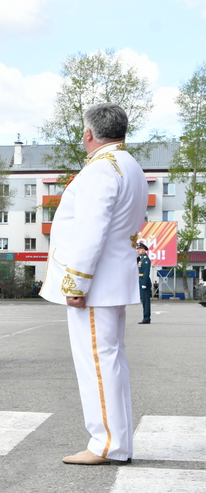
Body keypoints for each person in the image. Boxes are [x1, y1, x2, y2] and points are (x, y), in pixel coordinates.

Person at [40, 102, 147, 466]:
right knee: (110, 360)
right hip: (111, 279)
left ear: (89, 133)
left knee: (98, 363)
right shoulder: (128, 164)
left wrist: (76, 283)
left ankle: (107, 443)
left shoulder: (102, 169)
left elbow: (91, 230)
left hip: (96, 283)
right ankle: (117, 441)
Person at [137, 242, 151, 324]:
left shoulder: (145, 259)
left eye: (140, 249)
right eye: (138, 249)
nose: (139, 250)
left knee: (146, 301)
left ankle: (146, 318)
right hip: (141, 281)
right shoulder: (141, 259)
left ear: (144, 250)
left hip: (144, 282)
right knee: (143, 301)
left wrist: (144, 284)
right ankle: (145, 317)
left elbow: (146, 272)